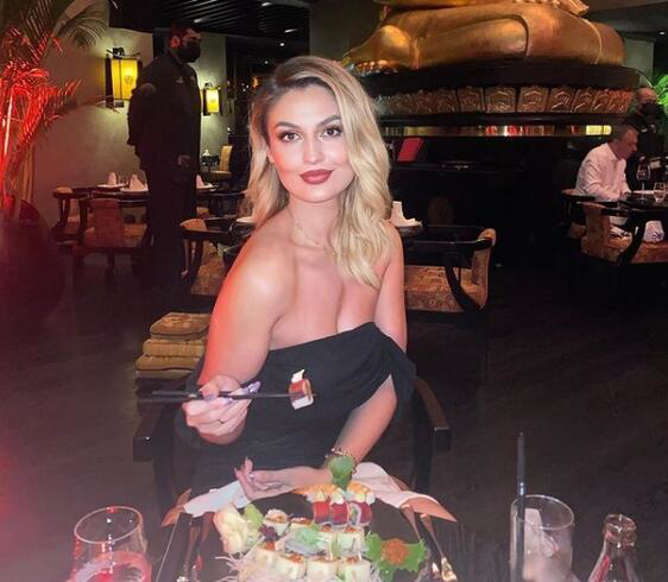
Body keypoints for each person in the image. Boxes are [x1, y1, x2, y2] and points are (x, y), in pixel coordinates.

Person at [178, 56, 414, 499]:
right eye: (290, 136)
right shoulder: (265, 272)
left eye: (331, 131)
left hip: (343, 463)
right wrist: (219, 420)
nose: (312, 155)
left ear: (359, 136)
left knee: (441, 533)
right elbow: (217, 428)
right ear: (270, 151)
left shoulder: (383, 241)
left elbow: (388, 378)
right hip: (258, 479)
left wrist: (331, 473)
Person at [127, 20, 202, 312]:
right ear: (175, 40)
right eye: (192, 40)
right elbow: (137, 114)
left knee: (186, 223)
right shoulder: (156, 71)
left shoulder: (190, 75)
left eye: (198, 41)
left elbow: (190, 121)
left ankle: (185, 280)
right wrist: (154, 155)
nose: (197, 46)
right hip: (163, 165)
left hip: (187, 165)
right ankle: (165, 288)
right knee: (166, 225)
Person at [574, 124, 637, 203]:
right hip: (591, 207)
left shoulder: (622, 160)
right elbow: (592, 189)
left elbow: (621, 182)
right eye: (630, 144)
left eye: (635, 144)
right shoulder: (596, 156)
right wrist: (619, 198)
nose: (635, 149)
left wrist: (627, 194)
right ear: (616, 142)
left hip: (612, 205)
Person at [624, 87, 665, 190]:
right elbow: (626, 146)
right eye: (648, 101)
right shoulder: (630, 122)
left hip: (656, 171)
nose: (652, 104)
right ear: (638, 102)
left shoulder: (657, 122)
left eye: (654, 101)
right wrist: (641, 157)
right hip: (636, 170)